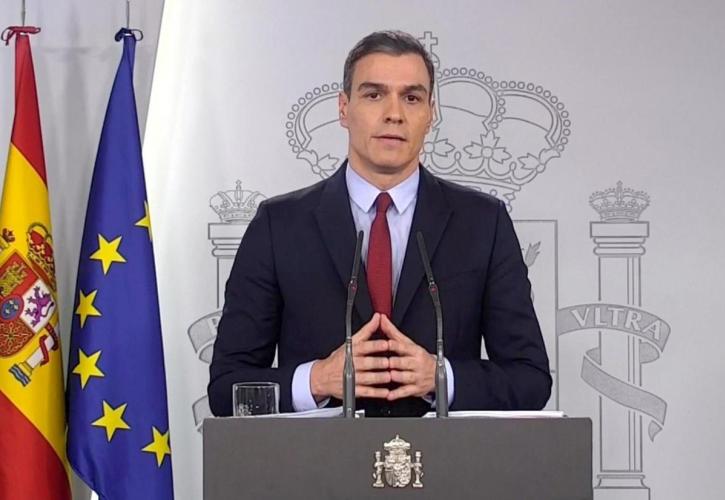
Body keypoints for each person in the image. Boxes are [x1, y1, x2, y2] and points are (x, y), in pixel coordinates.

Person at [208, 30, 551, 417]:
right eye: (374, 95)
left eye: (412, 98)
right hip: (318, 456)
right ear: (343, 108)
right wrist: (317, 379)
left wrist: (441, 377)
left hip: (444, 455)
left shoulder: (483, 224)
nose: (394, 113)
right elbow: (226, 388)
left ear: (431, 113)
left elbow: (530, 379)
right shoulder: (279, 226)